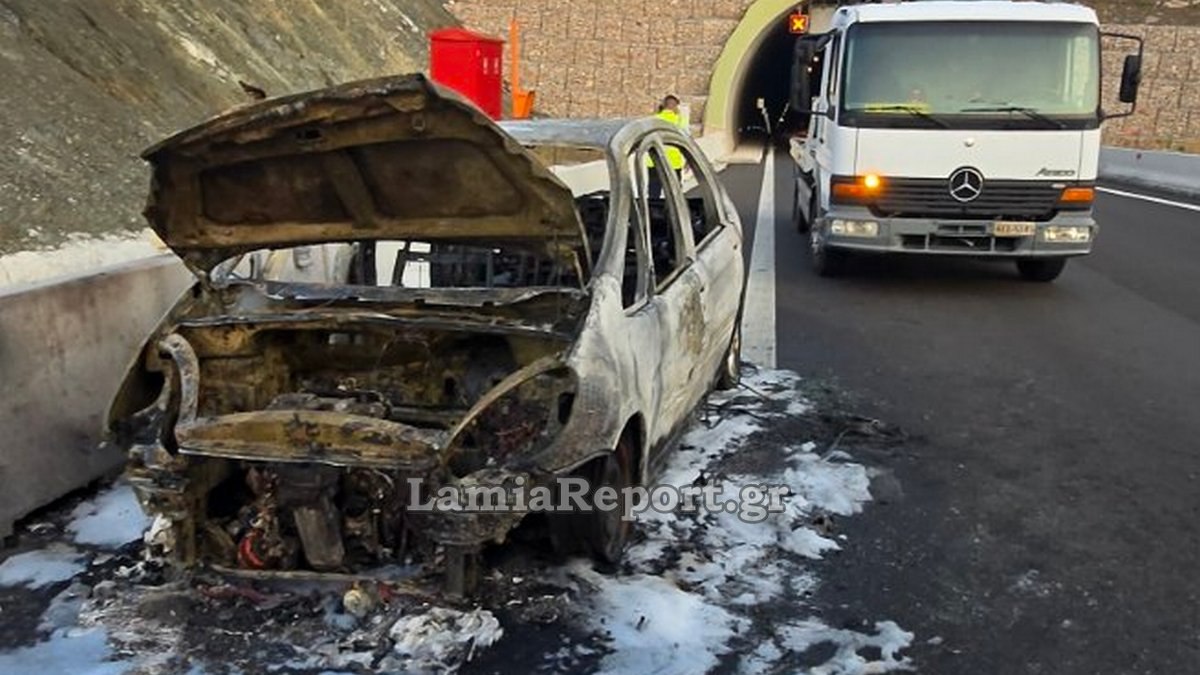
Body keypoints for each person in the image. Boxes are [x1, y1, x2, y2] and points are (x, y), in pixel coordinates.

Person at [647, 95, 688, 199]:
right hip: (673, 163)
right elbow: (687, 141)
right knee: (675, 194)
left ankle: (653, 212)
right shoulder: (679, 121)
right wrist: (688, 160)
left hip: (654, 162)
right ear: (675, 107)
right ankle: (672, 213)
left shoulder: (653, 120)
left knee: (653, 193)